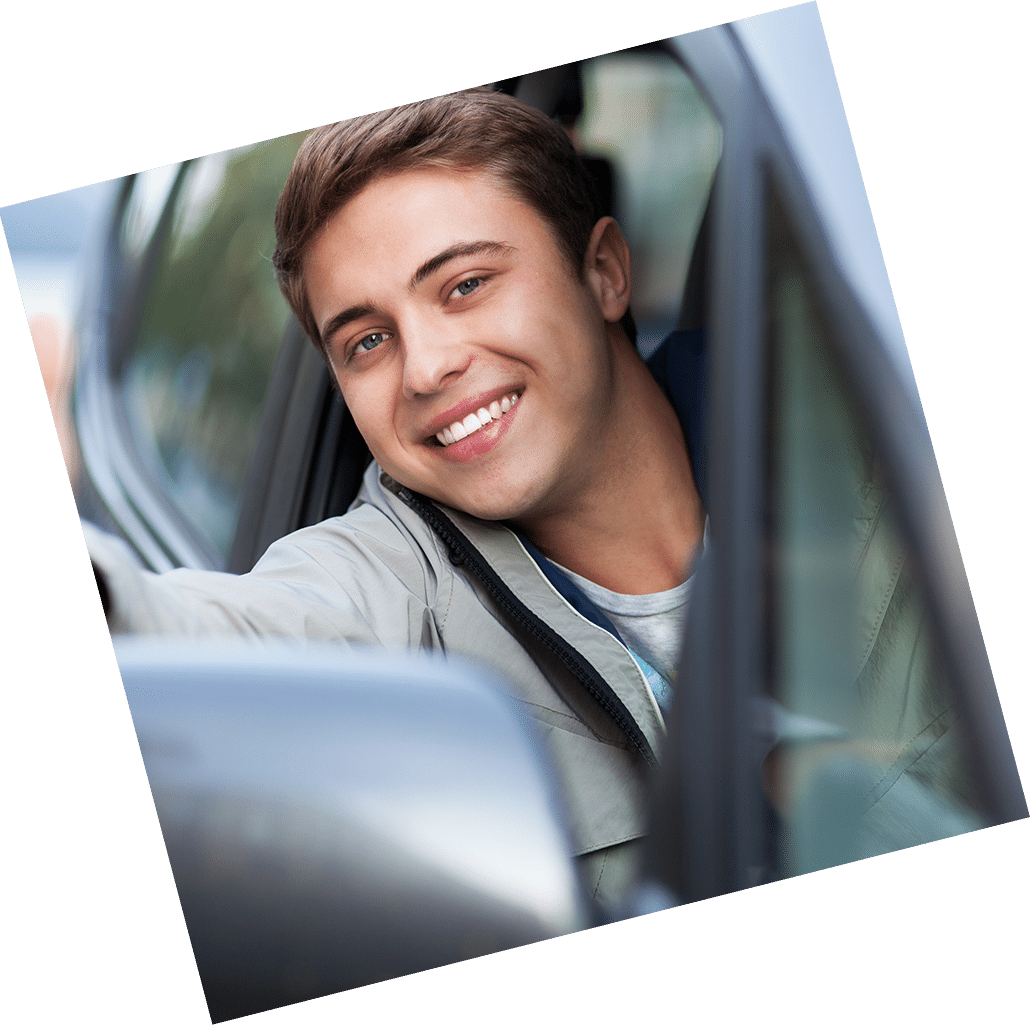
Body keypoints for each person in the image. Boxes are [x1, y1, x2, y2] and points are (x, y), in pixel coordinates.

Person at [87, 87, 711, 909]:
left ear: (603, 272)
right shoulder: (392, 573)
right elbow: (233, 632)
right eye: (367, 341)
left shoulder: (852, 434)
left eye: (464, 285)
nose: (424, 369)